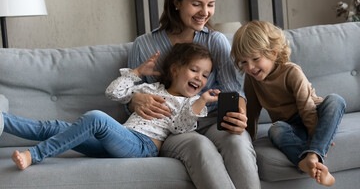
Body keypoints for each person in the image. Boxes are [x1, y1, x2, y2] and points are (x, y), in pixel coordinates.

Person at [128, 0, 260, 189]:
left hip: (212, 121)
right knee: (199, 146)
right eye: (196, 4)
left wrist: (240, 115)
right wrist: (134, 100)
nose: (205, 12)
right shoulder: (144, 44)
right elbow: (128, 95)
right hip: (171, 129)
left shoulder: (215, 40)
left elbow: (233, 88)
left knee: (237, 142)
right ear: (176, 2)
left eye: (210, 5)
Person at [0, 42, 220, 170]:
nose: (200, 78)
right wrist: (136, 74)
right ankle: (3, 120)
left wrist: (201, 101)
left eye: (205, 75)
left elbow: (182, 127)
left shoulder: (192, 104)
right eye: (194, 70)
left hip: (142, 147)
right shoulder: (152, 90)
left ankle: (34, 155)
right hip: (119, 140)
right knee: (53, 127)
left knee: (96, 118)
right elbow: (114, 92)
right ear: (175, 69)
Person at [230, 20, 346, 187]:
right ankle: (304, 163)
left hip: (314, 113)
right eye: (244, 62)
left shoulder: (291, 71)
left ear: (274, 53)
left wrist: (318, 136)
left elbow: (307, 108)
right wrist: (247, 142)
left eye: (255, 59)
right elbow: (252, 111)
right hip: (291, 125)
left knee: (335, 100)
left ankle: (314, 154)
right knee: (276, 129)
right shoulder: (252, 79)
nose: (250, 67)